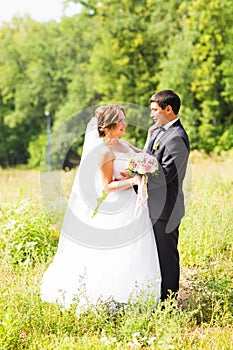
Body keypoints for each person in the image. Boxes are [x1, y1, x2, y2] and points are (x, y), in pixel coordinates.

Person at [40, 104, 161, 313]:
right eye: (120, 120)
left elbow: (148, 158)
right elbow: (108, 186)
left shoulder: (125, 144)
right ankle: (111, 296)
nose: (125, 124)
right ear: (108, 125)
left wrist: (149, 146)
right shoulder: (104, 152)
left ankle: (135, 295)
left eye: (124, 119)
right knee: (117, 251)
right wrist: (134, 180)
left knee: (136, 249)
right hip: (117, 206)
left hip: (134, 205)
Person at [144, 89, 190, 302]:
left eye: (155, 110)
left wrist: (134, 180)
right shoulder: (160, 131)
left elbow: (163, 176)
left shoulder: (177, 138)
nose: (152, 114)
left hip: (166, 210)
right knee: (155, 256)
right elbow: (148, 159)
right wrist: (148, 138)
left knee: (167, 258)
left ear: (168, 109)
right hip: (153, 206)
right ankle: (157, 297)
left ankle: (168, 304)